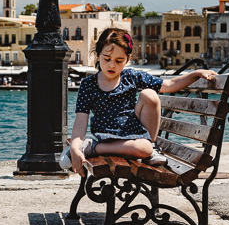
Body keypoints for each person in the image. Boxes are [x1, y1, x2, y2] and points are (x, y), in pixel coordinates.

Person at [60, 28, 217, 175]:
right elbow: (80, 121)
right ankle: (97, 147)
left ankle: (95, 148)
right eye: (107, 59)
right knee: (144, 149)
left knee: (150, 94)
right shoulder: (88, 85)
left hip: (133, 133)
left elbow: (169, 84)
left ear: (127, 59)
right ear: (98, 55)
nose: (112, 64)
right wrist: (75, 148)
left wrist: (195, 74)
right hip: (107, 135)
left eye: (119, 60)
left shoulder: (132, 77)